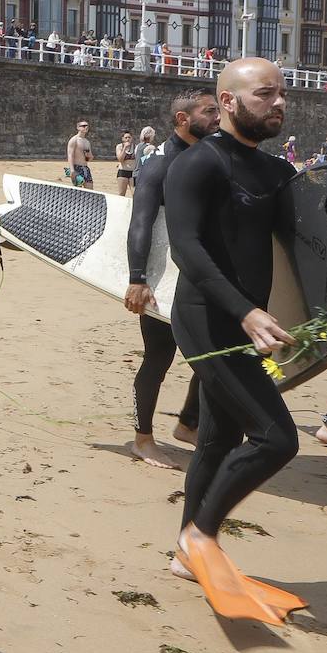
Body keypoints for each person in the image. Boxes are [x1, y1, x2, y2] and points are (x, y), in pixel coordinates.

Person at [164, 58, 316, 625]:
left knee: (219, 436)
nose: (278, 103)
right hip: (207, 320)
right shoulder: (197, 166)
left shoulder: (277, 174)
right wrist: (247, 312)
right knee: (276, 438)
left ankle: (187, 547)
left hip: (247, 319)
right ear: (227, 102)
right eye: (264, 94)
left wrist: (325, 332)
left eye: (283, 94)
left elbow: (305, 255)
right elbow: (187, 249)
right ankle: (202, 537)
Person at [124, 89, 220, 470]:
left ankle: (188, 424)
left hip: (197, 277)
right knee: (159, 357)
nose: (218, 117)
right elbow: (141, 223)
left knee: (210, 356)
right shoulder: (159, 165)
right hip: (162, 279)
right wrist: (137, 277)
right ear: (183, 119)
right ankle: (143, 439)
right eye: (209, 111)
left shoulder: (208, 159)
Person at [66, 120, 93, 189]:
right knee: (78, 192)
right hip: (76, 168)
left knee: (91, 191)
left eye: (87, 126)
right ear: (78, 128)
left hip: (85, 168)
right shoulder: (74, 140)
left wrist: (89, 156)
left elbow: (89, 158)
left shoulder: (87, 142)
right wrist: (72, 170)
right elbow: (70, 155)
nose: (86, 127)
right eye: (83, 126)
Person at [114, 131, 136, 197]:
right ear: (122, 139)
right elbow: (120, 159)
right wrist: (124, 148)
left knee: (134, 193)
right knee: (121, 194)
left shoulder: (136, 147)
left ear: (132, 138)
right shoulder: (119, 146)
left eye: (129, 137)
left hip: (133, 172)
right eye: (126, 137)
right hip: (123, 171)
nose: (127, 139)